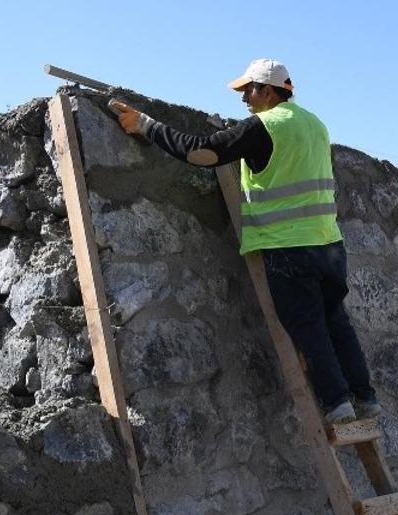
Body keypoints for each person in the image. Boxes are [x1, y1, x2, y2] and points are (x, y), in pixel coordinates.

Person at [110, 58, 378, 425]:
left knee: (307, 325)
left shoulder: (265, 126)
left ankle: (337, 405)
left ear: (268, 91)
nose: (243, 99)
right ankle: (365, 397)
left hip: (288, 245)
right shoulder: (315, 124)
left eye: (248, 90)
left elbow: (201, 152)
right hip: (329, 244)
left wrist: (146, 124)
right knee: (336, 320)